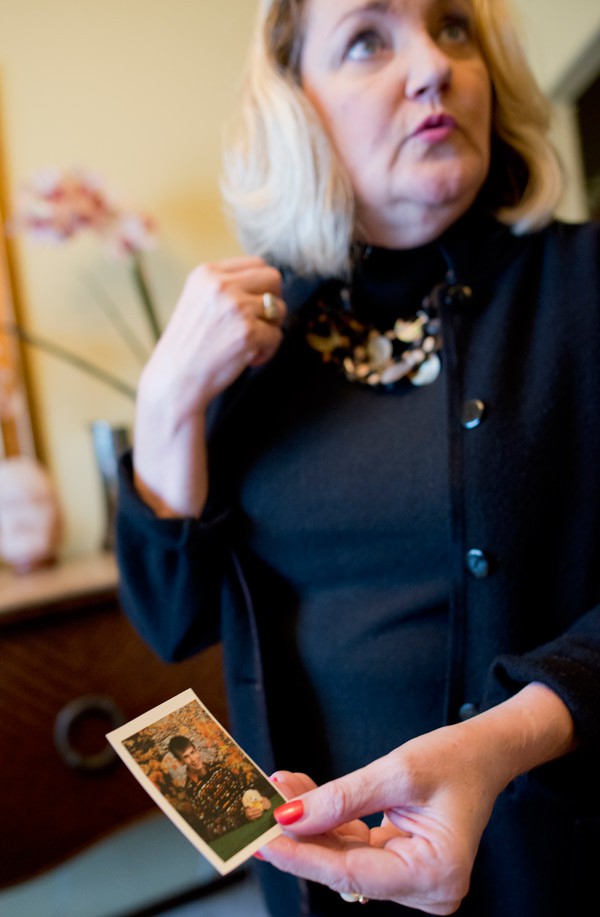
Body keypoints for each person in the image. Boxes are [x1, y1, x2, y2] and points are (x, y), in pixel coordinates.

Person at [115, 0, 600, 914]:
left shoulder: (585, 285)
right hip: (315, 884)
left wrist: (506, 740)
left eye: (454, 27)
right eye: (368, 39)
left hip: (554, 870)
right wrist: (167, 402)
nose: (433, 68)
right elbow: (171, 619)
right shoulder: (251, 339)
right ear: (297, 105)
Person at [167, 735, 271, 842]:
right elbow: (211, 827)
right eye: (186, 756)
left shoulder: (218, 767)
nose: (193, 759)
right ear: (181, 762)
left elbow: (243, 788)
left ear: (196, 750)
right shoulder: (191, 791)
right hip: (241, 835)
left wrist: (260, 798)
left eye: (192, 752)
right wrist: (244, 818)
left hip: (258, 812)